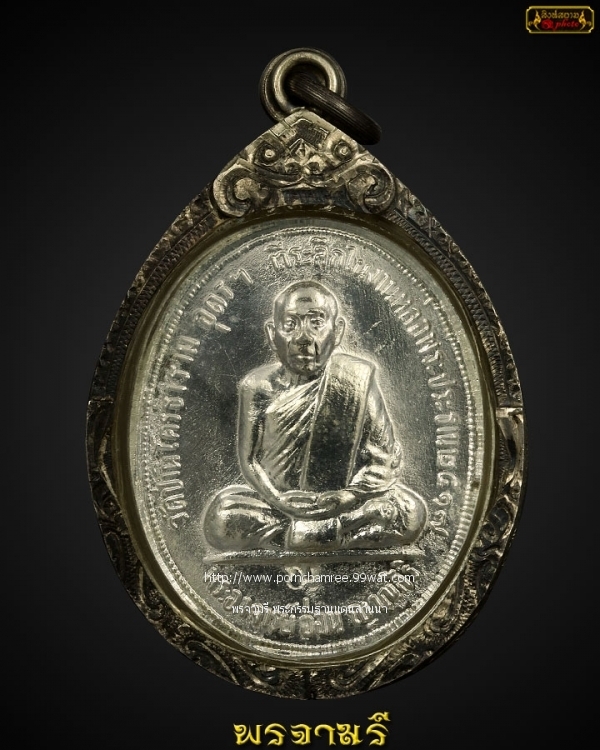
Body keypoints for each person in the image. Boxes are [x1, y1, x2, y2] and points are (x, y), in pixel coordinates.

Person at [204, 280, 427, 552]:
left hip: (341, 504)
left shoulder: (356, 378)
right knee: (222, 517)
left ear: (338, 331)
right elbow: (249, 461)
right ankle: (332, 535)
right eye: (290, 324)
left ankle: (295, 536)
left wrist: (348, 496)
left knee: (410, 512)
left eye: (316, 323)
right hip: (277, 505)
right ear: (272, 334)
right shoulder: (257, 386)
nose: (304, 338)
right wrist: (278, 500)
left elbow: (384, 458)